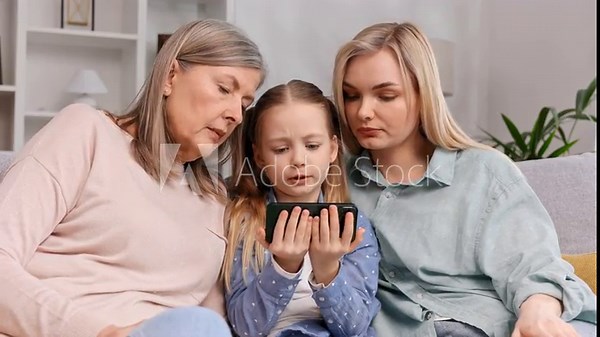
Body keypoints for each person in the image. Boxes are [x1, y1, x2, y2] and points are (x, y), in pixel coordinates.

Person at [0, 19, 265, 337]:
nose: (235, 114)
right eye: (224, 89)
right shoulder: (87, 133)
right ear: (170, 77)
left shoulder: (216, 201)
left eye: (245, 104)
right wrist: (103, 333)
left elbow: (211, 322)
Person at [331, 22, 597, 337]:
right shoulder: (332, 180)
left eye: (385, 96)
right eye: (350, 96)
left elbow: (534, 266)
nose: (363, 112)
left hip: (493, 325)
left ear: (423, 95)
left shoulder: (483, 171)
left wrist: (538, 312)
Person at [223, 79, 381, 337]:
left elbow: (355, 328)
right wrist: (283, 266)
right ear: (260, 156)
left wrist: (328, 269)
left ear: (332, 149)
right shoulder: (245, 223)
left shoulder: (352, 226)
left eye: (312, 146)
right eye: (281, 149)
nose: (298, 160)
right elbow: (245, 327)